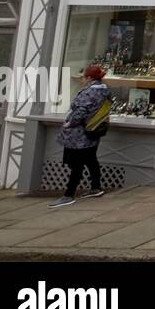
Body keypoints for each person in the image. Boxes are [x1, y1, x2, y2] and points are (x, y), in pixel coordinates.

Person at [50, 64, 111, 208]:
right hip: (95, 129)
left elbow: (81, 111)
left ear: (89, 78)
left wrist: (70, 123)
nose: (82, 80)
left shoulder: (88, 93)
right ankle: (95, 187)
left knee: (77, 164)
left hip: (80, 133)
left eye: (83, 77)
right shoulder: (105, 90)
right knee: (91, 160)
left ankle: (68, 195)